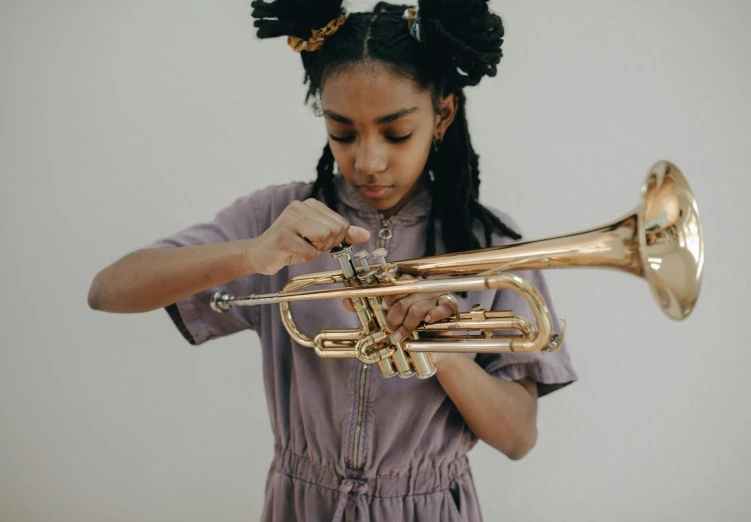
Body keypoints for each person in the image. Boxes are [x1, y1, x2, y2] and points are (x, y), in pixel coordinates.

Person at [87, 1, 578, 520]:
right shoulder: (279, 217)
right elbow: (107, 291)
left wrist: (441, 348)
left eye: (396, 133)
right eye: (342, 132)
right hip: (302, 505)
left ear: (443, 114)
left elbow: (518, 437)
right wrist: (253, 252)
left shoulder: (491, 241)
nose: (368, 161)